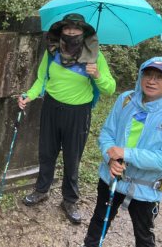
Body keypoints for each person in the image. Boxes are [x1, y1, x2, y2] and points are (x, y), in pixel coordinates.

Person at [83, 57, 162, 247]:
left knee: (143, 234)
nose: (152, 81)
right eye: (148, 74)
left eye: (160, 77)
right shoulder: (126, 100)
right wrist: (110, 157)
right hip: (112, 178)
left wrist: (126, 154)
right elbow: (107, 134)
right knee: (99, 222)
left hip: (146, 187)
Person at [18, 13, 116, 224]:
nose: (71, 32)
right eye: (67, 28)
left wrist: (97, 75)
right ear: (61, 31)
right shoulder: (52, 51)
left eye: (76, 28)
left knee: (72, 157)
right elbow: (41, 79)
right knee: (46, 152)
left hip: (78, 113)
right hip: (51, 108)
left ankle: (69, 200)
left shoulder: (95, 56)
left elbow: (110, 89)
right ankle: (41, 190)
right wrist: (29, 96)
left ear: (85, 32)